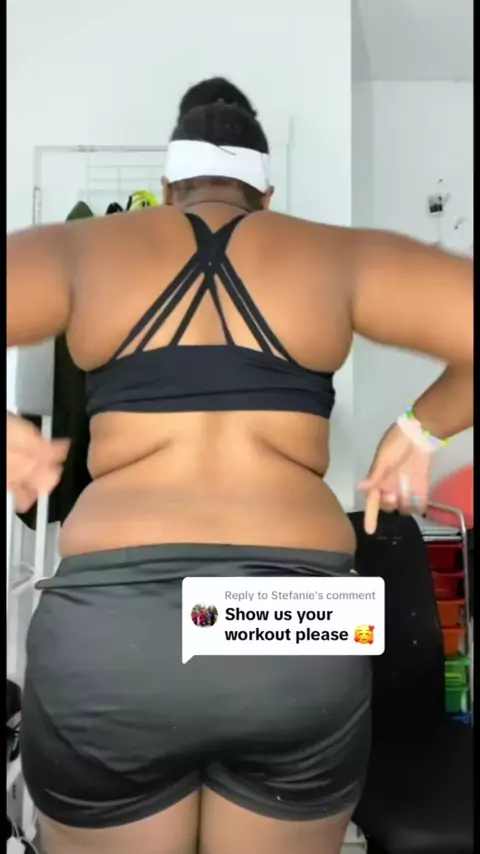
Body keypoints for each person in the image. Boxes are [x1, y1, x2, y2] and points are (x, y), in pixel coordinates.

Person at [7, 78, 473, 854]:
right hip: (298, 626)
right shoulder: (331, 253)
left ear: (168, 187)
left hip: (116, 633)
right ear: (266, 194)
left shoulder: (87, 249)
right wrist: (422, 430)